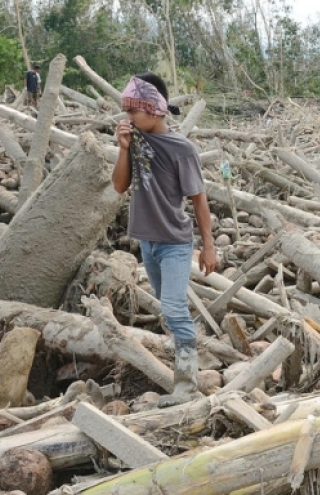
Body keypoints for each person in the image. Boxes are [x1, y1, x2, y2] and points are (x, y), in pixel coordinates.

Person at [112, 73, 217, 408]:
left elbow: (199, 199)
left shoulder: (181, 149)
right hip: (148, 241)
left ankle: (187, 386)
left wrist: (209, 245)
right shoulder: (135, 141)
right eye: (126, 110)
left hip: (174, 241)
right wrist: (123, 149)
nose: (129, 118)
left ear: (155, 110)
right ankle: (186, 356)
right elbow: (119, 185)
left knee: (173, 307)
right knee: (166, 308)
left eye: (135, 111)